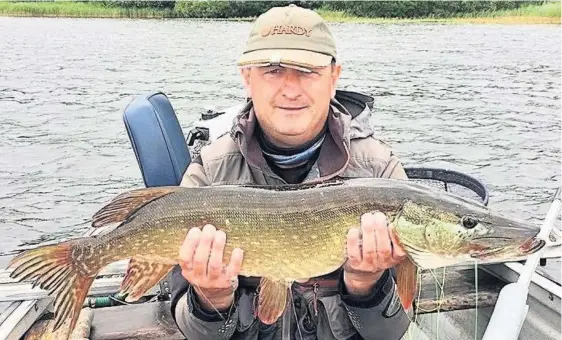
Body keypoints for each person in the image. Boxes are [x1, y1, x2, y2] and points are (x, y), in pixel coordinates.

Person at [169, 4, 412, 340]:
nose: (291, 89)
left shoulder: (380, 171)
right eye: (272, 70)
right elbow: (193, 331)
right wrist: (212, 298)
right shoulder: (209, 171)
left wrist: (365, 285)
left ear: (334, 77)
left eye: (308, 70)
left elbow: (391, 333)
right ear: (247, 78)